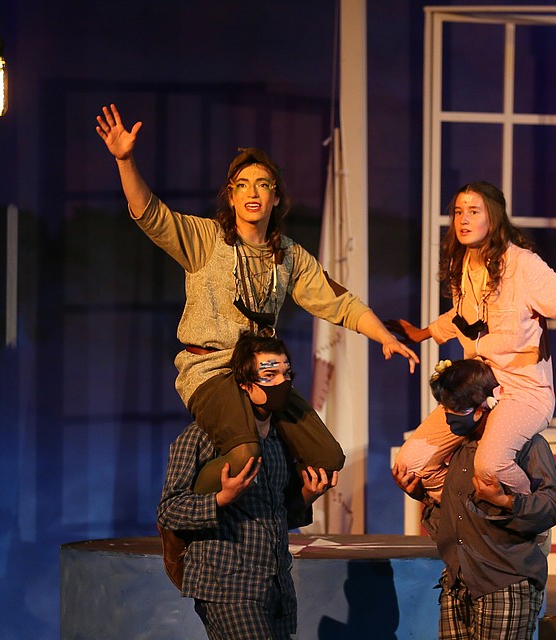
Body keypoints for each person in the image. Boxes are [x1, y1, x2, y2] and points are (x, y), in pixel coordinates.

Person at [95, 104, 418, 492]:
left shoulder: (289, 255)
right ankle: (185, 498)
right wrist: (126, 161)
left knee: (328, 460)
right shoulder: (206, 239)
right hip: (212, 370)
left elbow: (340, 303)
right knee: (245, 453)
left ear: (276, 198)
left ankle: (282, 516)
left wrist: (383, 336)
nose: (253, 192)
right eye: (243, 185)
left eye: (263, 184)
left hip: (264, 373)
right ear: (231, 197)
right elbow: (152, 215)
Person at [391, 181, 556, 500]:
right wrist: (420, 334)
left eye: (473, 212)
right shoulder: (462, 265)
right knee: (409, 466)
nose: (463, 220)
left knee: (491, 465)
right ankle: (470, 515)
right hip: (479, 390)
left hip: (524, 392)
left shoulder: (522, 264)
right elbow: (462, 317)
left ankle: (526, 519)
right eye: (458, 212)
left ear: (492, 218)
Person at [157, 333, 338, 640]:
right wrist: (220, 498)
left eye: (286, 374)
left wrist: (307, 496)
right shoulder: (202, 437)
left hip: (276, 585)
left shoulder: (279, 441)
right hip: (229, 586)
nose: (281, 382)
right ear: (243, 384)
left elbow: (276, 515)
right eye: (269, 376)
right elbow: (169, 510)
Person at [392, 358, 556, 640]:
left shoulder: (525, 446)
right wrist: (422, 497)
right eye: (444, 408)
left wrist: (506, 500)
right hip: (459, 583)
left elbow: (551, 507)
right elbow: (458, 518)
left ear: (484, 406)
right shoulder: (459, 450)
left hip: (503, 582)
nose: (448, 417)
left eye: (455, 409)